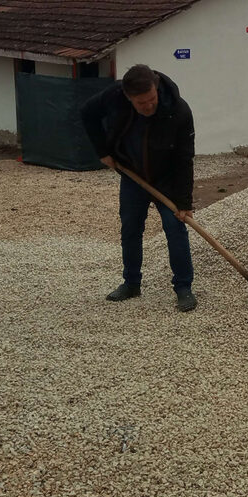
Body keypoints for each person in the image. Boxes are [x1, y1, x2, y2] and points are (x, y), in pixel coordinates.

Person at [80, 64, 197, 312]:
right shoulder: (113, 97)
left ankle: (184, 288)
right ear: (128, 96)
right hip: (132, 174)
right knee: (131, 228)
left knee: (175, 228)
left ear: (156, 88)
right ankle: (131, 283)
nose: (148, 106)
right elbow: (87, 113)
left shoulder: (178, 110)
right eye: (141, 103)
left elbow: (185, 159)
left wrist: (185, 203)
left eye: (152, 99)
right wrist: (103, 152)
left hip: (167, 179)